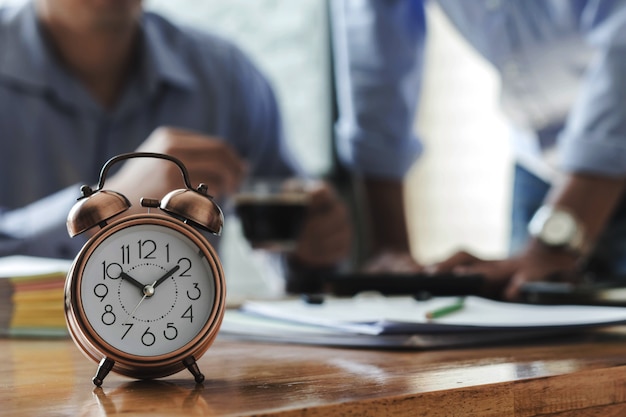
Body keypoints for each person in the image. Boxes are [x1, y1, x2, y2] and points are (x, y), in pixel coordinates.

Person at [0, 0, 351, 276]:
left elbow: (290, 243)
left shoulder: (228, 78)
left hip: (188, 357)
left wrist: (311, 252)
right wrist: (109, 209)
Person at [331, 0, 626, 298]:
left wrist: (552, 246)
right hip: (539, 166)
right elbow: (374, 54)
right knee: (528, 323)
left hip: (599, 163)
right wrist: (391, 253)